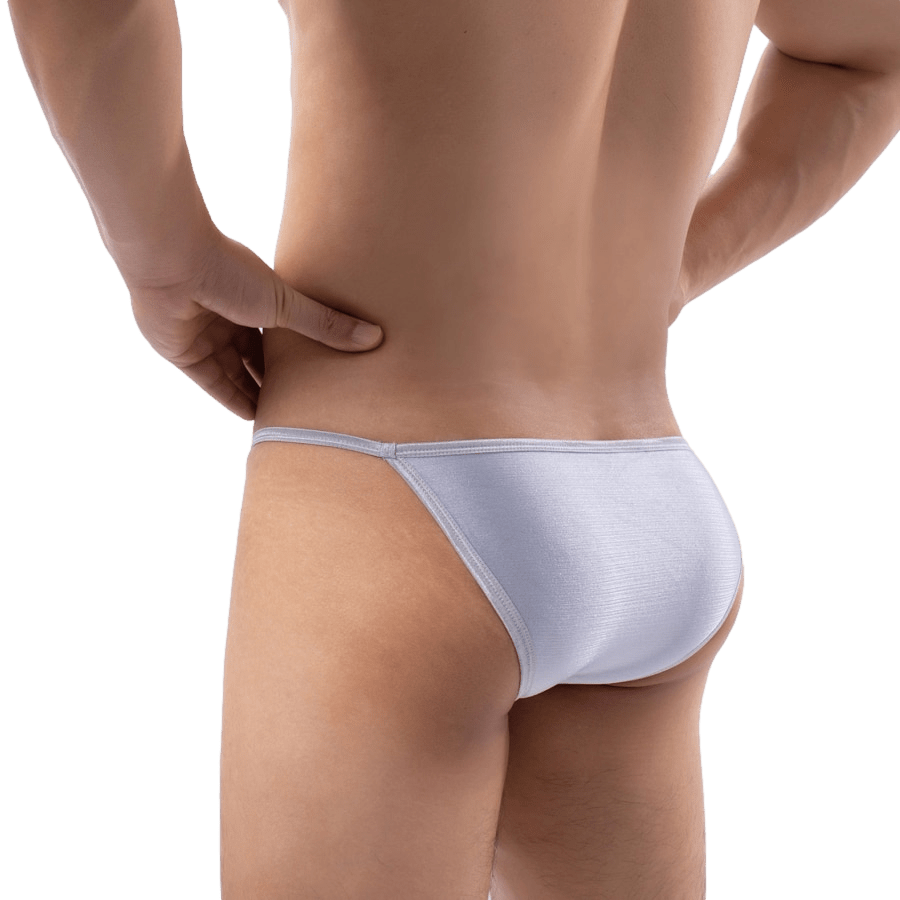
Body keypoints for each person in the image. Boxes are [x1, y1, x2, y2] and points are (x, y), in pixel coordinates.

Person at [8, 1, 899, 897]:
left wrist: (162, 253)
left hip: (394, 480)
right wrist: (678, 261)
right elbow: (872, 53)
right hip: (652, 498)